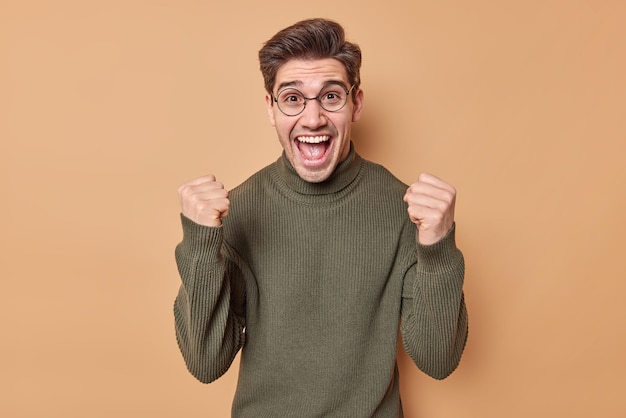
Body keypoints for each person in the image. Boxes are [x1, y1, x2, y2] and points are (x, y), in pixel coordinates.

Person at [173, 18, 468, 418]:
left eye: (331, 96)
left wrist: (438, 247)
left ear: (356, 103)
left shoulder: (407, 211)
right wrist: (199, 243)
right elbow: (207, 365)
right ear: (270, 108)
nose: (313, 119)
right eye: (293, 98)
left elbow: (439, 360)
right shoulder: (235, 211)